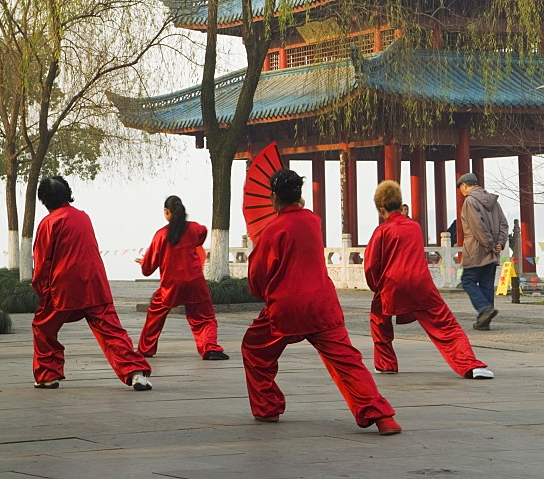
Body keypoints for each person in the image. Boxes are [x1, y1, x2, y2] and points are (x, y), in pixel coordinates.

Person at [241, 169, 401, 435]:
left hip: (286, 307)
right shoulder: (313, 221)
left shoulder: (272, 230)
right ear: (299, 196)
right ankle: (383, 417)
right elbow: (301, 215)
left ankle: (267, 408)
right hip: (322, 305)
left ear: (272, 197)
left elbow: (257, 274)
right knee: (347, 362)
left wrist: (263, 295)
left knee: (254, 349)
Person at [31, 176, 152, 390]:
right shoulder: (83, 217)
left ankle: (48, 374)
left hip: (62, 287)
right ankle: (136, 373)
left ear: (44, 200)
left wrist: (42, 291)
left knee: (43, 327)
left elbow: (42, 262)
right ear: (67, 193)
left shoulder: (48, 223)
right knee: (111, 331)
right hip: (95, 283)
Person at [365, 180, 493, 380]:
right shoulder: (414, 227)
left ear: (381, 208)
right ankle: (471, 365)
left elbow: (372, 265)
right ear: (400, 204)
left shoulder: (381, 231)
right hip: (421, 283)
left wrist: (377, 287)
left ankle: (385, 363)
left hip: (392, 284)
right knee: (445, 325)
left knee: (379, 319)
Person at [136, 195, 228, 361]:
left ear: (166, 212)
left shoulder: (161, 235)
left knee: (155, 314)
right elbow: (203, 232)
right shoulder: (194, 229)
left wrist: (145, 261)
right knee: (204, 317)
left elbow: (147, 269)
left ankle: (145, 349)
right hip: (195, 282)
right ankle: (210, 347)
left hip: (171, 286)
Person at [456, 172, 509, 330]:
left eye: (461, 188)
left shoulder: (470, 201)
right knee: (486, 284)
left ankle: (484, 309)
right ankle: (484, 321)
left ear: (465, 186)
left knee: (468, 280)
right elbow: (504, 224)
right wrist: (499, 243)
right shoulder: (494, 202)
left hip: (476, 250)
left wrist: (490, 244)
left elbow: (477, 226)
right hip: (492, 251)